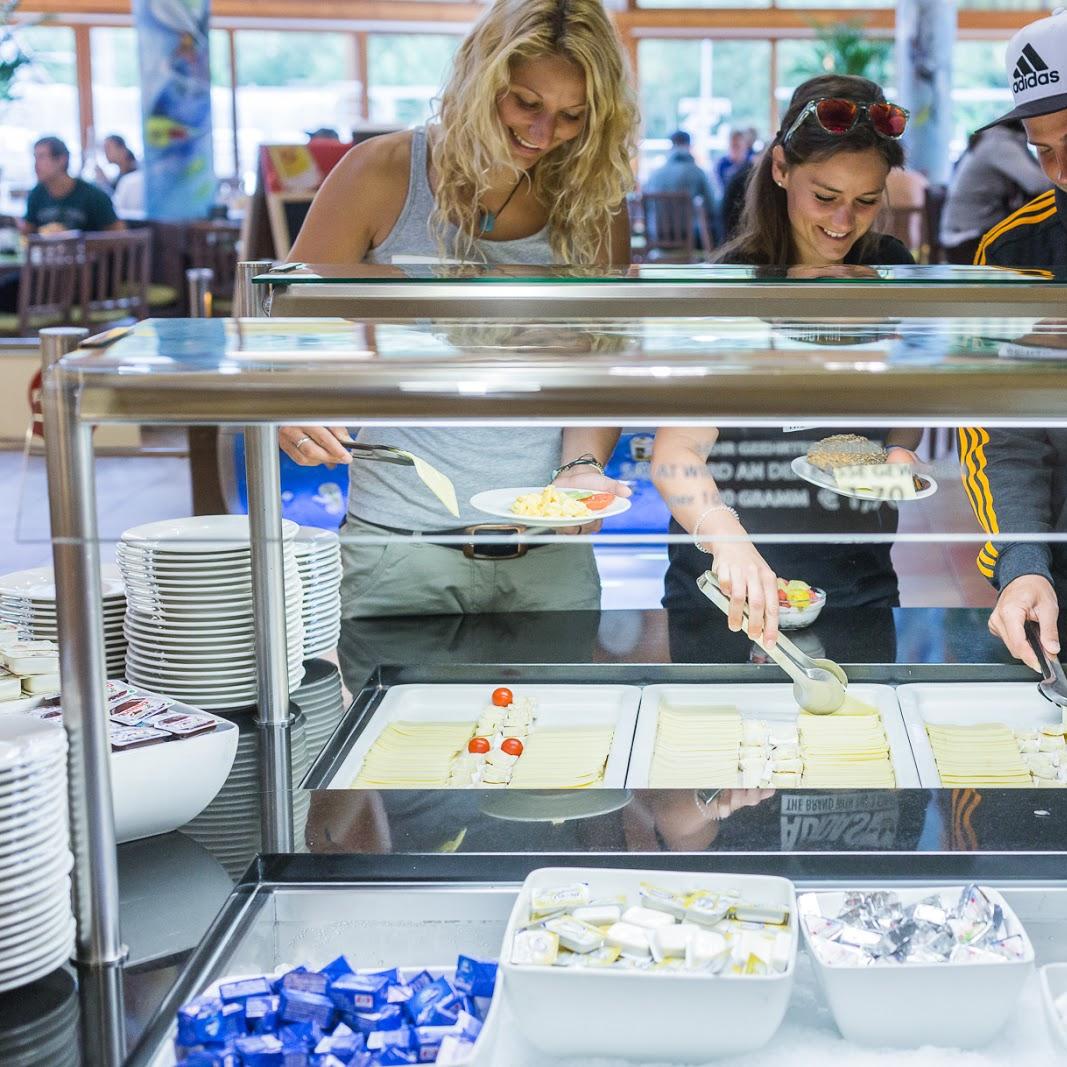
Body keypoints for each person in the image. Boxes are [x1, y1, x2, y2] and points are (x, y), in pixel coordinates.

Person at [283, 0, 638, 622]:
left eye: (571, 116)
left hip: (549, 542)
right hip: (397, 543)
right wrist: (294, 404)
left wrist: (583, 467)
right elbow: (288, 322)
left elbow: (599, 362)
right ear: (481, 79)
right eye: (526, 103)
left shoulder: (594, 200)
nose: (542, 134)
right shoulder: (381, 172)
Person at [653, 74, 918, 644]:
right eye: (825, 197)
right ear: (780, 168)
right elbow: (676, 452)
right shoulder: (731, 283)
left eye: (866, 201)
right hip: (726, 583)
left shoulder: (891, 268)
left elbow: (906, 401)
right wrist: (727, 539)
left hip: (857, 575)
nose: (843, 223)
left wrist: (899, 451)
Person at [957, 9, 1067, 671]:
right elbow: (1003, 431)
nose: (1061, 171)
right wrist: (1023, 562)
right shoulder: (1011, 252)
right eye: (1043, 150)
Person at [940, 120, 1051, 264]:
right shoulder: (1000, 144)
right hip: (968, 240)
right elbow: (1038, 184)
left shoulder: (990, 139)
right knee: (1043, 243)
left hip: (964, 236)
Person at [23, 136, 123, 235]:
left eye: (41, 157)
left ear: (62, 159)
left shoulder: (94, 196)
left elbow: (119, 236)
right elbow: (27, 234)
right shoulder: (36, 194)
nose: (36, 165)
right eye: (35, 158)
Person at [642, 129, 714, 250]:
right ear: (689, 146)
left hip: (657, 236)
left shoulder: (654, 175)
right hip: (689, 238)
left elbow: (646, 207)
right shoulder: (697, 172)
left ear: (671, 147)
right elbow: (712, 206)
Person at [97, 134, 145, 218]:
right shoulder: (119, 176)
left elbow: (117, 206)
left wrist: (105, 184)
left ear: (122, 149)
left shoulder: (135, 176)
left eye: (108, 149)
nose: (105, 153)